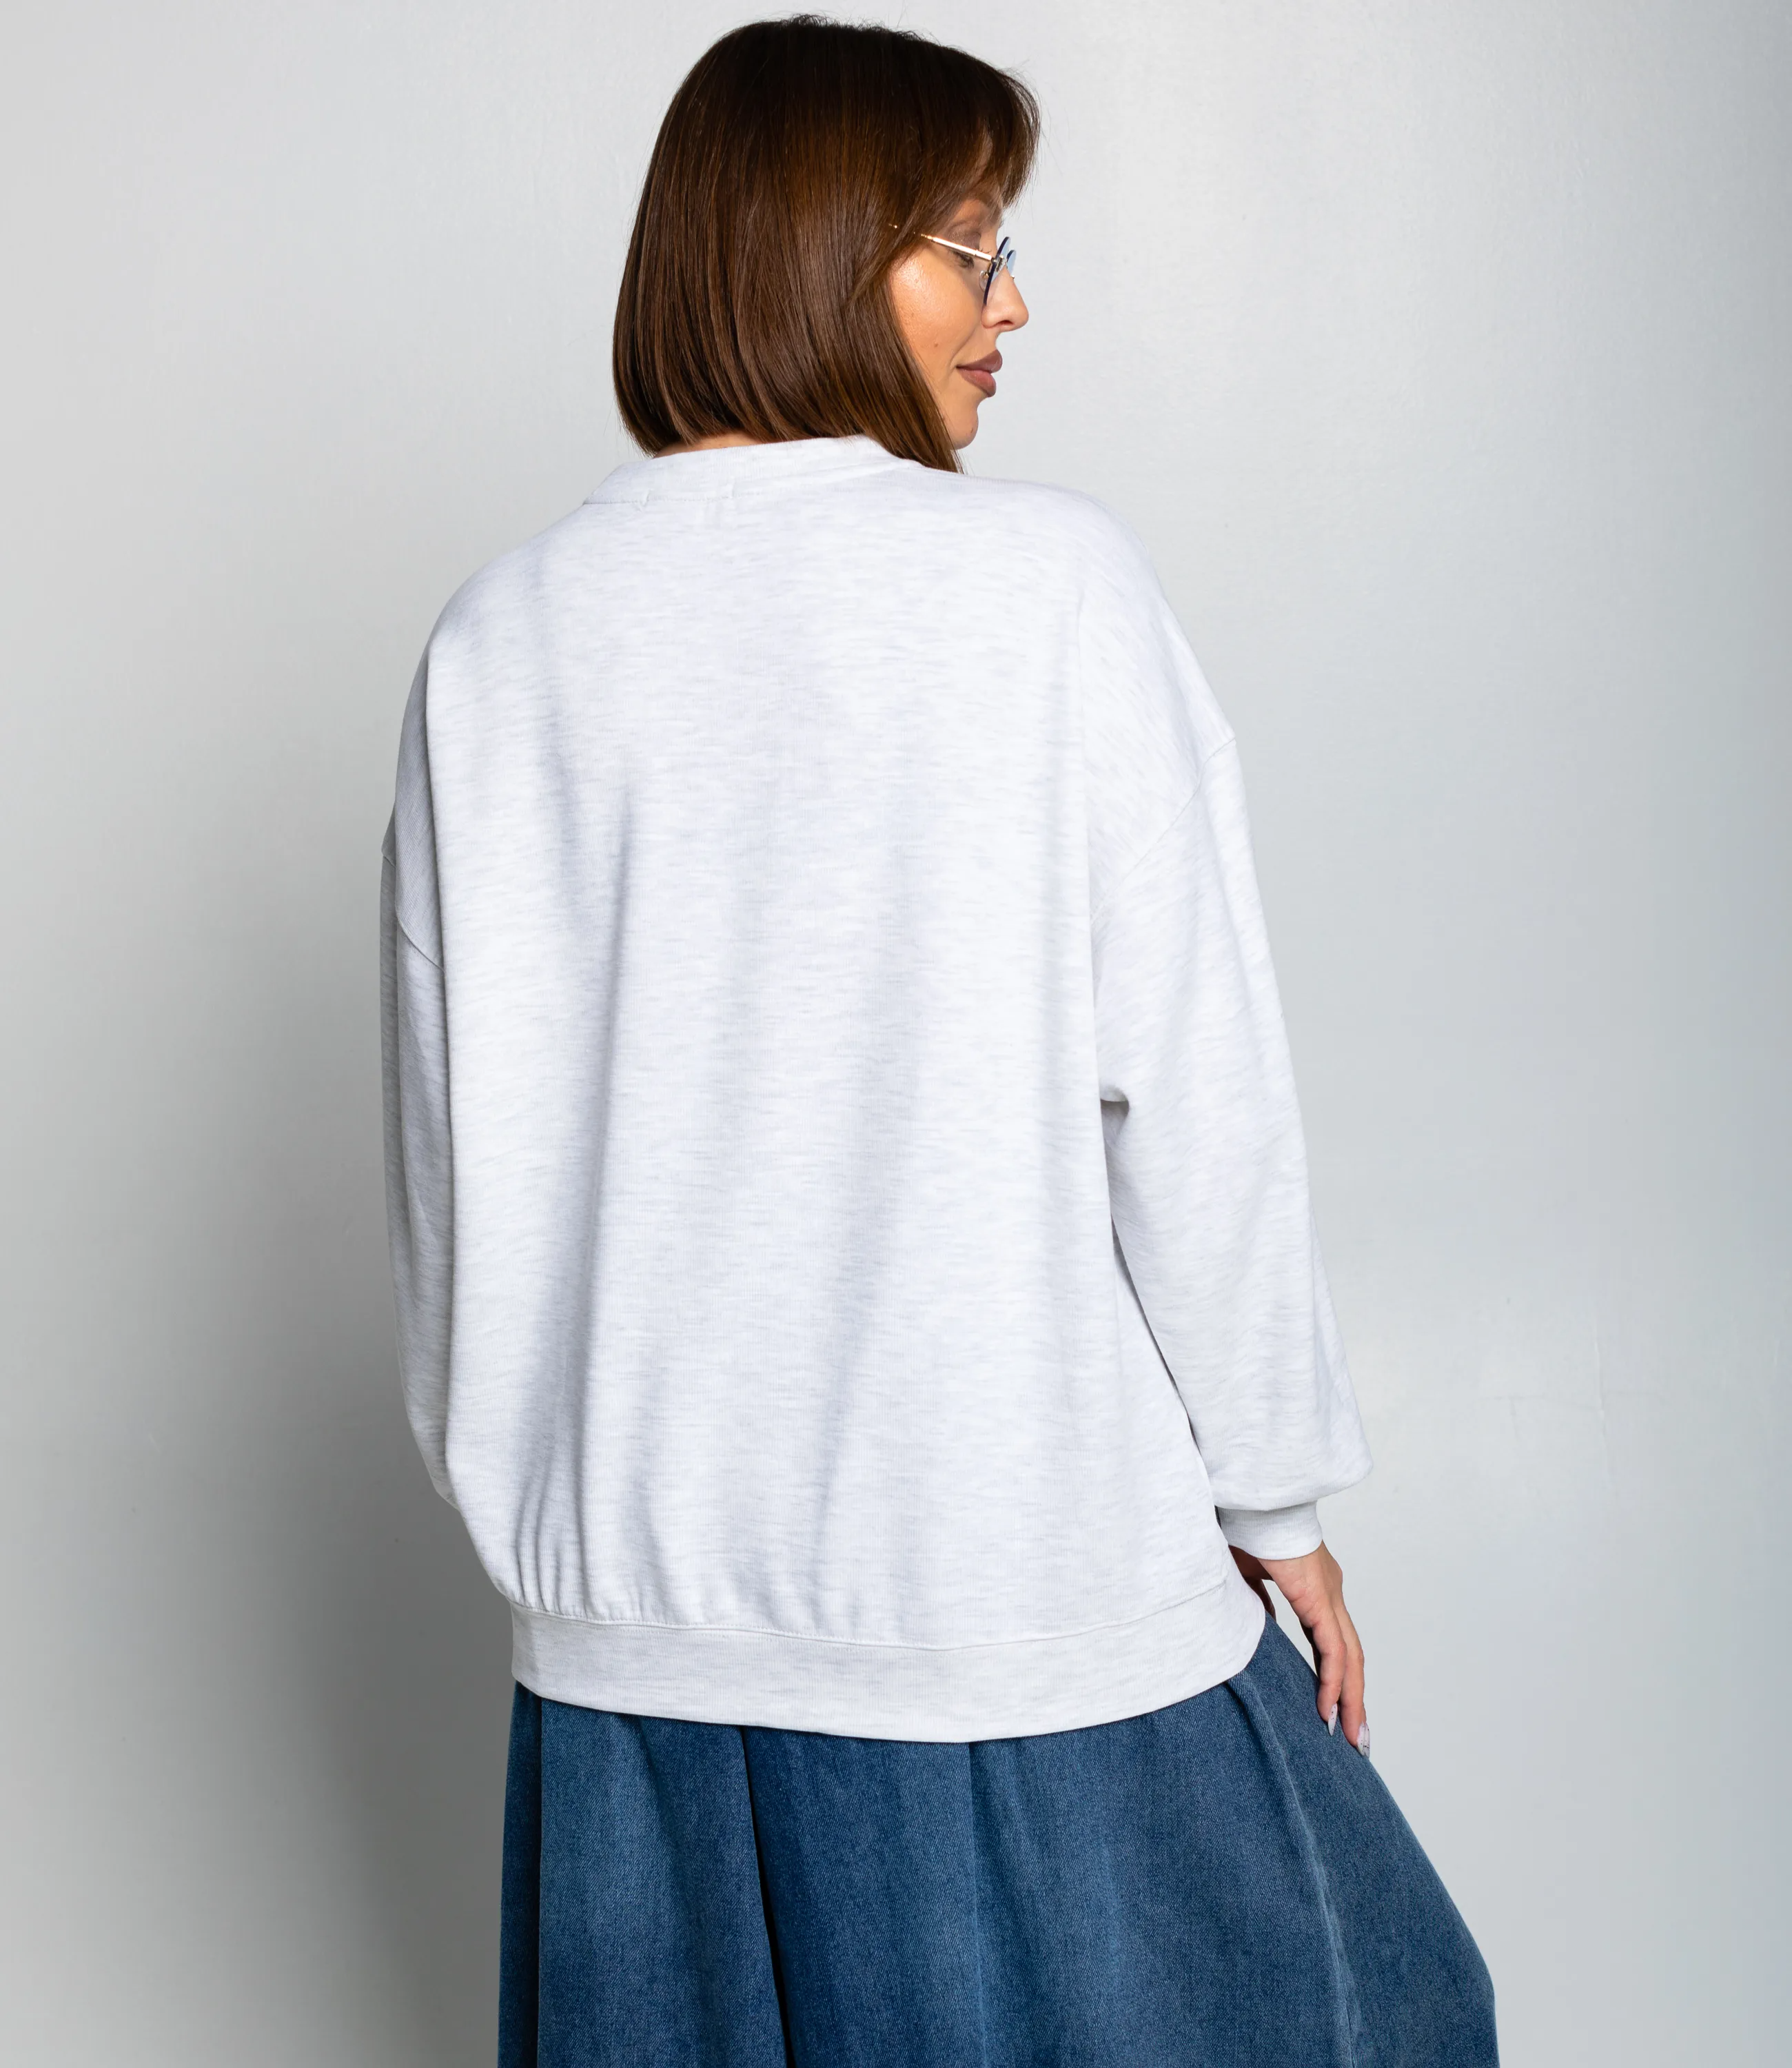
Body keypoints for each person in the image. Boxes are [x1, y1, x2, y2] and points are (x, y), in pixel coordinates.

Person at [380, 15, 1498, 2065]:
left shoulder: (499, 638)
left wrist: (558, 1535)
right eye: (970, 247)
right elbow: (1194, 1089)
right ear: (815, 252)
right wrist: (1279, 1504)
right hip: (1010, 1589)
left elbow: (465, 1155)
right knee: (1380, 2013)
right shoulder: (1046, 588)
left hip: (635, 1643)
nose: (1012, 304)